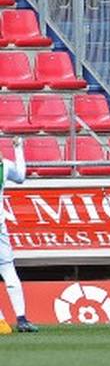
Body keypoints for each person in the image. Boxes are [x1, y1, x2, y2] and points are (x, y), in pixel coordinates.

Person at [0, 138, 37, 333]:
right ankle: (22, 319)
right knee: (7, 269)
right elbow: (21, 176)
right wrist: (18, 149)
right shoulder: (3, 166)